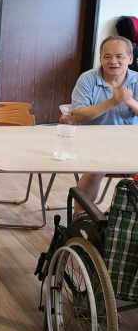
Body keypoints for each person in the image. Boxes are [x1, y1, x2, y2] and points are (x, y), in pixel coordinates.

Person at [66, 36, 138, 214]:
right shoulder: (87, 79)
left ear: (130, 58)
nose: (113, 61)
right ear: (100, 58)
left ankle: (122, 216)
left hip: (130, 143)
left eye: (119, 56)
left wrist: (128, 101)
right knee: (95, 170)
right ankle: (81, 219)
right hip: (93, 142)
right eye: (107, 56)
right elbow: (78, 115)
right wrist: (112, 102)